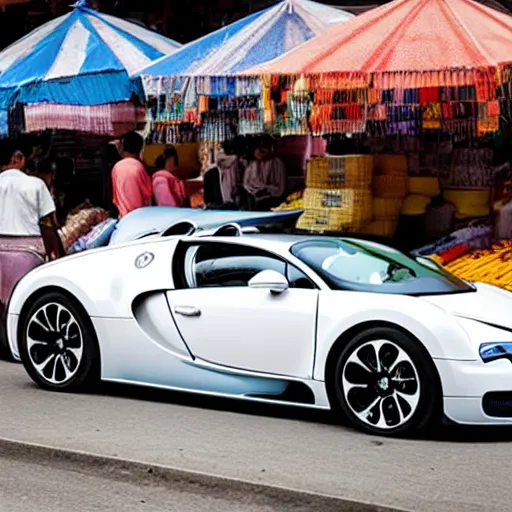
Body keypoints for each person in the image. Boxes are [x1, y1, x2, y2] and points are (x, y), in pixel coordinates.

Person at [0, 140, 64, 349]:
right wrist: (56, 254)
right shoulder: (36, 184)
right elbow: (48, 224)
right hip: (27, 252)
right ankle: (22, 346)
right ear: (18, 158)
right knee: (24, 304)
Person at [111, 131, 152, 218]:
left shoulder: (117, 167)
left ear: (124, 146)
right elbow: (148, 194)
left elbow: (116, 198)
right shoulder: (141, 167)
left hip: (124, 219)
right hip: (142, 217)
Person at [243, 136, 287, 211]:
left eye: (264, 148)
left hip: (273, 201)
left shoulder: (276, 162)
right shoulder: (252, 165)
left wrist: (267, 189)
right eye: (258, 148)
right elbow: (247, 184)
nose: (259, 151)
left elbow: (280, 188)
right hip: (255, 201)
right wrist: (256, 191)